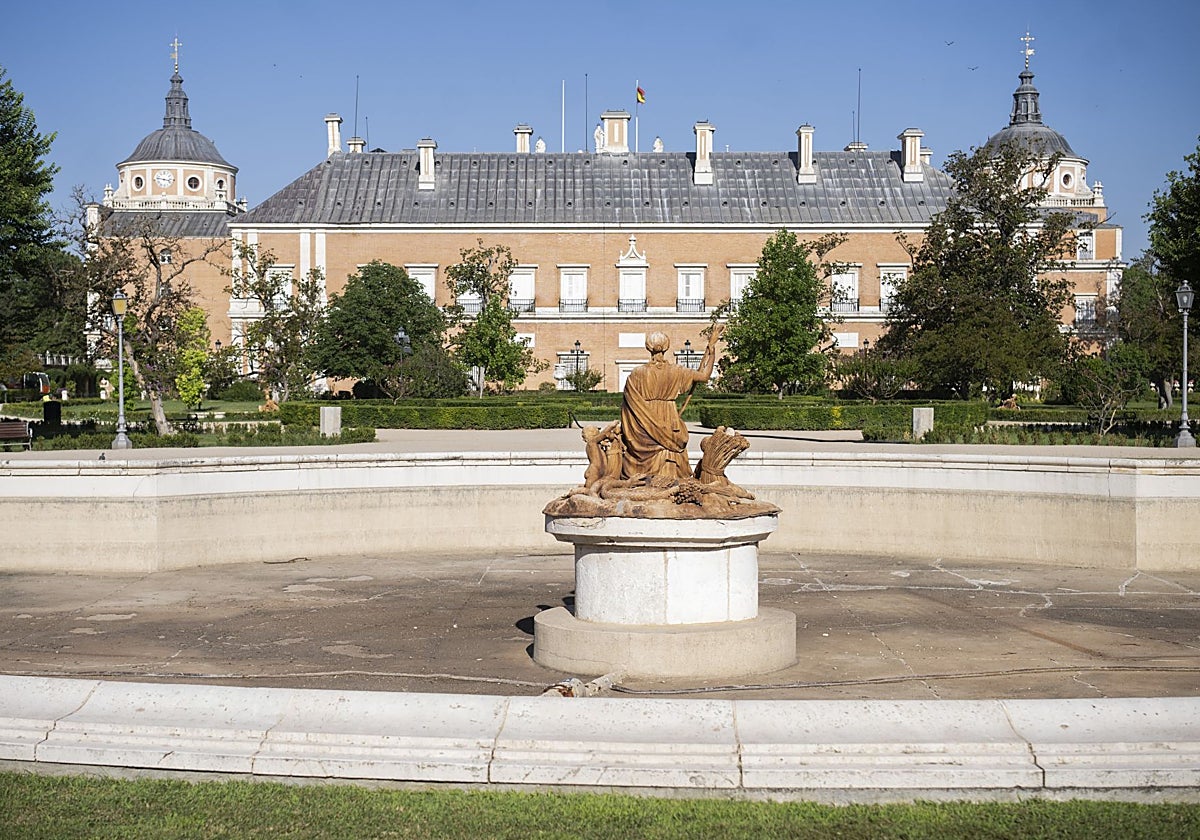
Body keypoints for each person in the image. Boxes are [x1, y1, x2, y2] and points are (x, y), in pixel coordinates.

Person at [620, 327, 721, 479]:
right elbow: (705, 376)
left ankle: (647, 481)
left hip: (645, 418)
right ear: (666, 347)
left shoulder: (637, 373)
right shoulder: (677, 370)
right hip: (669, 416)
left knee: (655, 447)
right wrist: (711, 349)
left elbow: (629, 405)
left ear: (648, 348)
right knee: (670, 447)